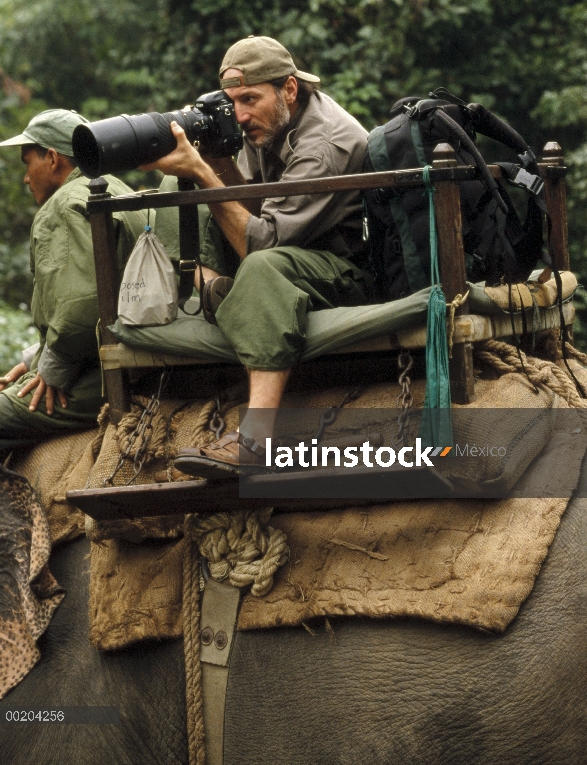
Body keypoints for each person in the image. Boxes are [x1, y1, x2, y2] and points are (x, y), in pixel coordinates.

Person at [146, 36, 373, 472]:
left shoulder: (325, 142)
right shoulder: (262, 123)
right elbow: (251, 207)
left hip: (345, 269)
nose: (241, 114)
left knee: (262, 264)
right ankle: (216, 291)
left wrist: (201, 170)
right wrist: (215, 161)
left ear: (289, 89)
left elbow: (266, 242)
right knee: (178, 189)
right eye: (231, 103)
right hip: (293, 251)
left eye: (250, 98)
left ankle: (256, 438)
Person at [0, 109, 147, 453]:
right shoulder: (117, 187)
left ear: (52, 158)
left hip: (104, 375)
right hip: (140, 352)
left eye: (27, 163)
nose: (25, 178)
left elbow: (81, 310)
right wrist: (36, 356)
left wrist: (51, 370)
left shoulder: (63, 205)